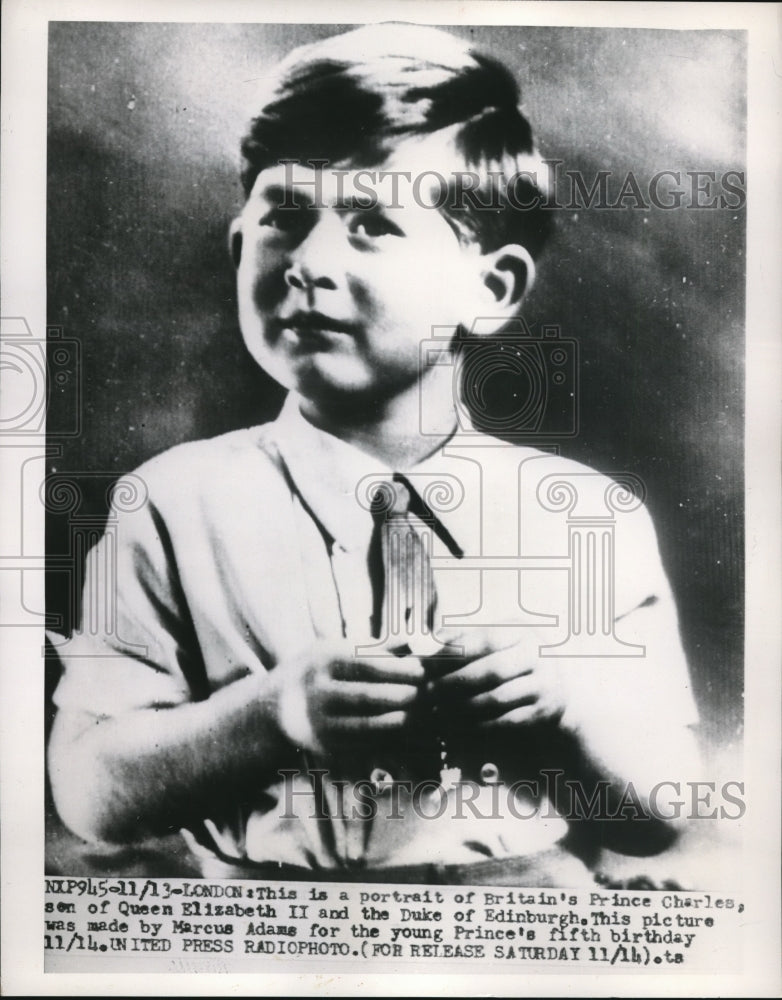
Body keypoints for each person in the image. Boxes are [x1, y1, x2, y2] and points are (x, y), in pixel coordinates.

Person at [48, 23, 700, 886]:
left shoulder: (587, 520)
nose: (309, 261)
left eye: (372, 223)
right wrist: (268, 715)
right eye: (285, 216)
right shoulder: (168, 505)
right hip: (254, 937)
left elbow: (663, 815)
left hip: (513, 928)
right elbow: (89, 794)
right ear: (240, 245)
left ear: (491, 287)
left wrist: (563, 717)